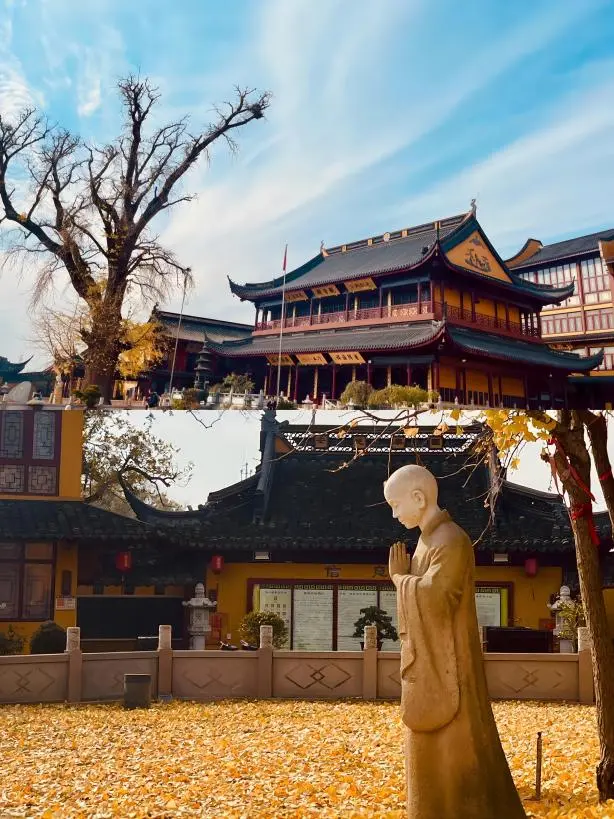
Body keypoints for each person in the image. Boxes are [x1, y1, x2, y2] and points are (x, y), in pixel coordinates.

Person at [384, 464, 526, 819]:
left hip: (452, 669)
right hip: (433, 667)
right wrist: (405, 581)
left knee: (458, 750)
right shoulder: (426, 540)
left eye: (396, 504)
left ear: (418, 497)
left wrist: (401, 581)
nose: (394, 513)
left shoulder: (451, 539)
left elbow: (438, 596)